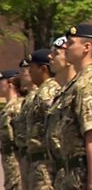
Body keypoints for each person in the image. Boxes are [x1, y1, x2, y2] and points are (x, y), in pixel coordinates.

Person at [60, 24, 92, 190]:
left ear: (86, 47)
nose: (65, 46)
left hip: (83, 176)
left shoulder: (87, 85)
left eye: (70, 42)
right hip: (73, 174)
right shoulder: (77, 83)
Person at [26, 49, 60, 190]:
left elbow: (56, 131)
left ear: (43, 69)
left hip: (46, 165)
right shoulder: (41, 91)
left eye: (32, 67)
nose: (29, 72)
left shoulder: (49, 92)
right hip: (39, 163)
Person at [45, 36, 76, 189]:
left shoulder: (81, 90)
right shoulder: (62, 92)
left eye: (55, 53)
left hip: (77, 175)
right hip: (60, 172)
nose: (50, 56)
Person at [13, 59, 37, 190]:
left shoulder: (42, 96)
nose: (22, 75)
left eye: (25, 71)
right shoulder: (28, 99)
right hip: (27, 159)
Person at [0, 69, 23, 190]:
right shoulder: (7, 109)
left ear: (10, 84)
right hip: (9, 166)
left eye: (1, 82)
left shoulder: (17, 107)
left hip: (18, 166)